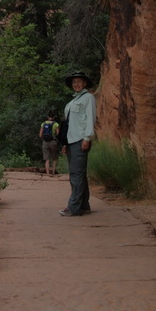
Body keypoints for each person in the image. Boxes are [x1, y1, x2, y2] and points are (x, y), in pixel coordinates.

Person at [59, 72, 96, 217]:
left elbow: (90, 119)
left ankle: (73, 207)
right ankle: (84, 206)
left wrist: (87, 138)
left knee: (76, 175)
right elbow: (68, 125)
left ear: (85, 83)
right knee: (79, 175)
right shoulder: (72, 102)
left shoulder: (88, 98)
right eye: (74, 82)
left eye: (79, 81)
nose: (76, 84)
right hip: (71, 141)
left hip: (80, 140)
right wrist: (64, 143)